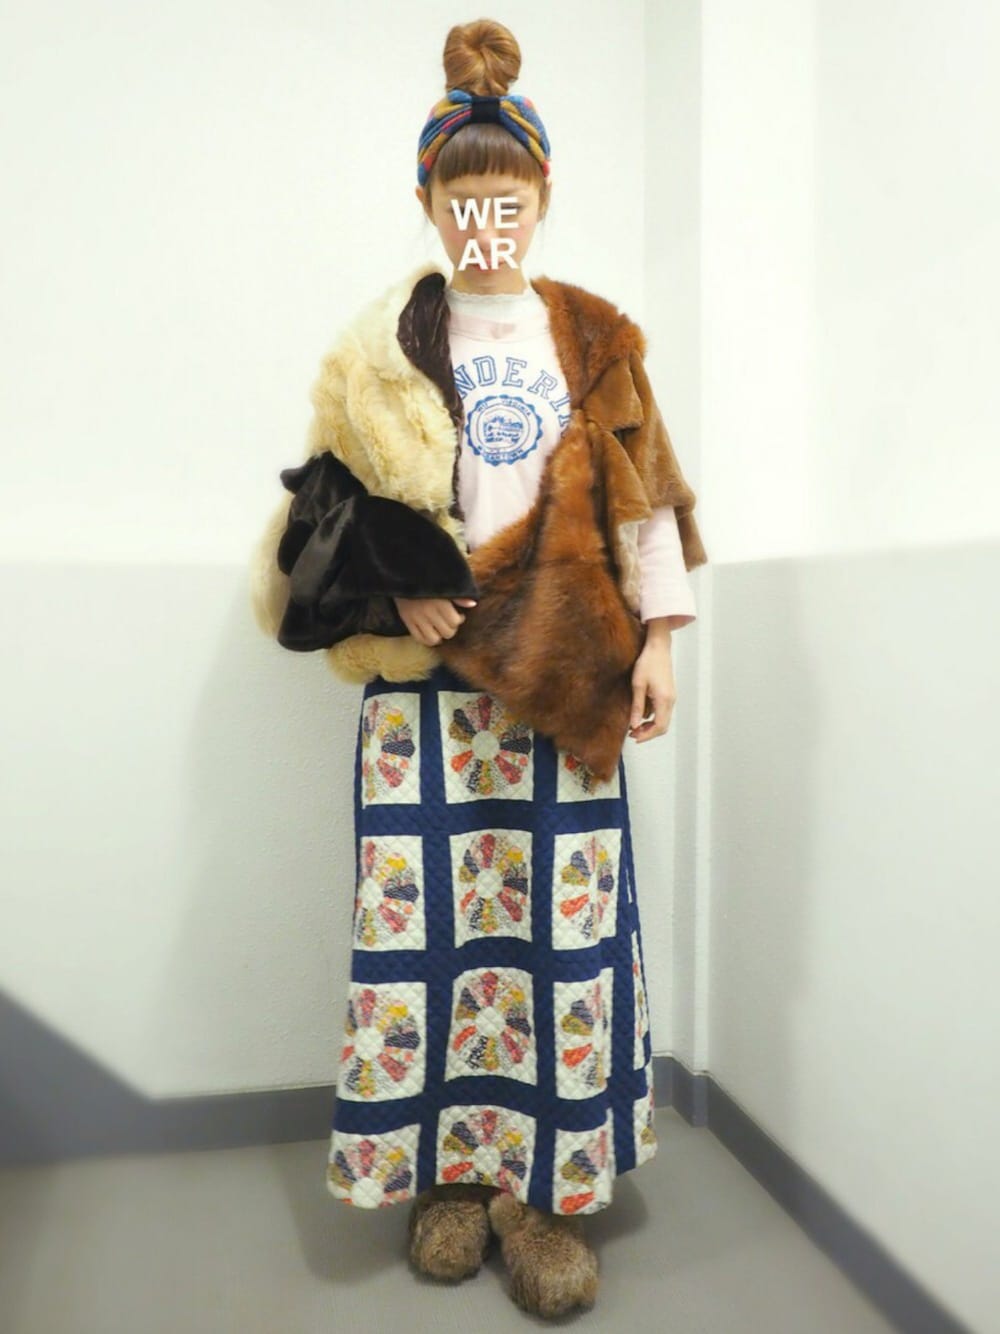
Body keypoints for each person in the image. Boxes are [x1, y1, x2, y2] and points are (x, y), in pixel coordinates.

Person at [250, 18, 707, 1320]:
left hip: (566, 682)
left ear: (541, 198)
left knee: (559, 946)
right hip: (424, 699)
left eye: (507, 198)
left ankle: (544, 1197)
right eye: (463, 199)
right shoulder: (384, 347)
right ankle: (445, 1178)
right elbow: (322, 516)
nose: (485, 222)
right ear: (432, 203)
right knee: (428, 945)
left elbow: (646, 506)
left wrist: (658, 643)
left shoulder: (595, 338)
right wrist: (393, 580)